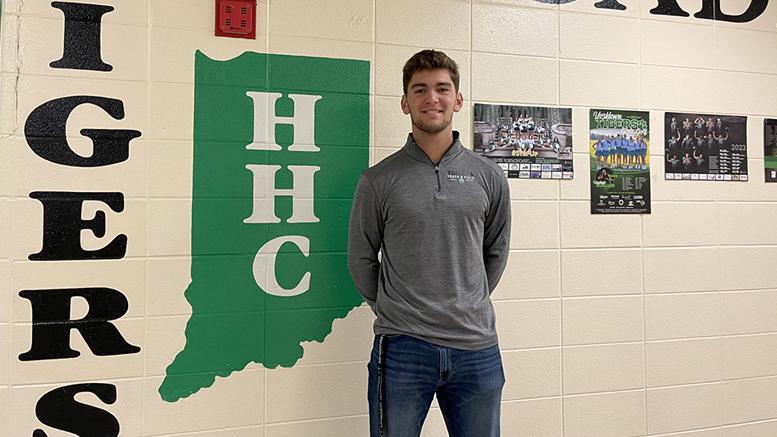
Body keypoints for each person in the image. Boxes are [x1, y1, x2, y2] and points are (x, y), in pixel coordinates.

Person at [347, 49, 511, 437]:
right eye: (419, 90)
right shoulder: (378, 180)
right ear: (405, 103)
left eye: (442, 88)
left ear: (457, 100)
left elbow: (496, 249)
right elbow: (361, 258)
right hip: (403, 347)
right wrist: (395, 308)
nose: (431, 98)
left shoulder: (489, 175)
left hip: (477, 347)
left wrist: (467, 299)